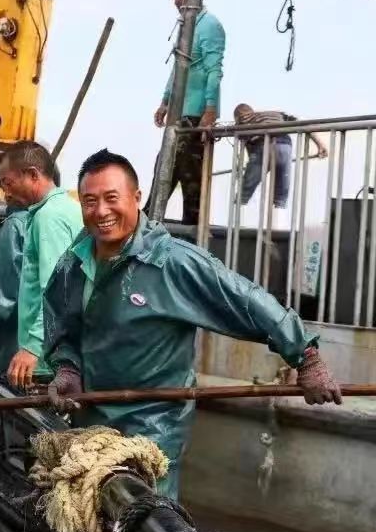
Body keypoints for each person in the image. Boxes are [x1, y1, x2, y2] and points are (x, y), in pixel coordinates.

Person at [38, 149, 341, 499]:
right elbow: (60, 321)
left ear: (137, 199)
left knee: (146, 526)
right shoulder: (74, 262)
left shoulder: (173, 262)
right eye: (90, 201)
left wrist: (305, 355)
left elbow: (246, 300)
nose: (101, 211)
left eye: (112, 198)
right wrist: (66, 367)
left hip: (151, 427)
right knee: (84, 518)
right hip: (89, 418)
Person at [0, 141, 84, 388]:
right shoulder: (66, 208)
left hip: (49, 360)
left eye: (8, 181)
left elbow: (55, 290)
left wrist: (33, 347)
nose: (6, 191)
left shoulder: (48, 218)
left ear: (33, 174)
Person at [150, 0, 226, 226]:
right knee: (162, 171)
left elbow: (214, 71)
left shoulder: (210, 26)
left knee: (190, 181)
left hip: (196, 115)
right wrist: (164, 101)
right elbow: (178, 67)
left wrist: (210, 110)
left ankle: (190, 243)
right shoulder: (185, 25)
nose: (176, 1)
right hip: (177, 114)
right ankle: (148, 225)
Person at [234, 103, 329, 208]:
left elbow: (250, 150)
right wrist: (320, 144)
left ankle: (236, 214)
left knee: (244, 191)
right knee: (281, 193)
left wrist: (252, 170)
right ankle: (279, 215)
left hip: (263, 145)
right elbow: (301, 123)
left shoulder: (242, 121)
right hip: (284, 146)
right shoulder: (276, 113)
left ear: (237, 117)